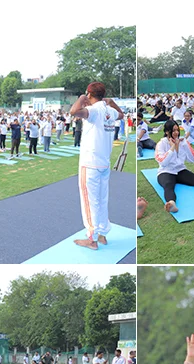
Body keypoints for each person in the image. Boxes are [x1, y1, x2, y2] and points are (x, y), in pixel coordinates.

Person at [69, 82, 124, 251]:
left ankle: (92, 238)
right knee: (101, 200)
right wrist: (111, 102)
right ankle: (102, 234)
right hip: (104, 164)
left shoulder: (93, 111)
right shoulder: (109, 110)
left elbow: (73, 112)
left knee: (89, 201)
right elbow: (121, 114)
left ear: (89, 94)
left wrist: (81, 98)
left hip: (90, 163)